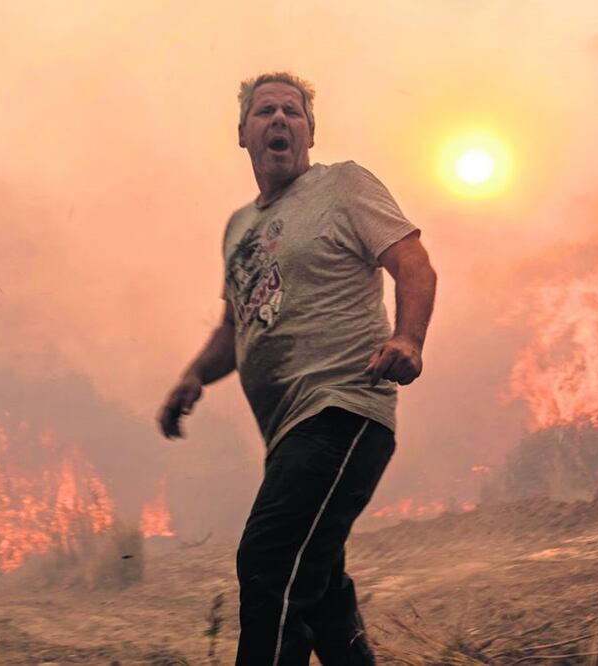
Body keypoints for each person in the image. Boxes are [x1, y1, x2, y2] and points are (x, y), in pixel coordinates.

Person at [158, 72, 437, 665]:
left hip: (343, 408)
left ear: (311, 130)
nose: (280, 119)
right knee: (319, 594)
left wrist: (408, 338)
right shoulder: (239, 227)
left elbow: (414, 263)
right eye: (265, 111)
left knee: (269, 563)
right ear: (242, 133)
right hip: (287, 434)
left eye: (293, 110)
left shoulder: (344, 186)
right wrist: (192, 376)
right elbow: (235, 326)